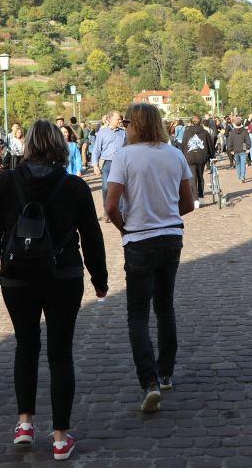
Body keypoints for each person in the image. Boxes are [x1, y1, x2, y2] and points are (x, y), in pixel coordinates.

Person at [0, 120, 108, 462]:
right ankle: (61, 437)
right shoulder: (74, 186)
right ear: (60, 146)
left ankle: (24, 424)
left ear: (28, 147)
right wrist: (100, 278)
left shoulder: (6, 182)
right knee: (60, 353)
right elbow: (92, 238)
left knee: (25, 346)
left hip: (17, 276)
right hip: (63, 274)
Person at [105, 103, 194, 414]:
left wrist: (125, 227)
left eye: (127, 122)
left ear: (136, 125)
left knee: (138, 315)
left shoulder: (125, 156)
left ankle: (150, 381)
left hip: (139, 241)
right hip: (171, 238)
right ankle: (166, 371)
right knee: (165, 306)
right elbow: (188, 203)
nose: (125, 126)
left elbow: (111, 205)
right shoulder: (175, 155)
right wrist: (165, 217)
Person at [91, 110, 127, 211]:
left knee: (120, 187)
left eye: (120, 118)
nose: (120, 120)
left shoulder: (123, 133)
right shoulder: (102, 132)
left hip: (120, 164)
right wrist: (95, 165)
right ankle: (107, 209)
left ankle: (119, 211)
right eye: (117, 119)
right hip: (107, 163)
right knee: (106, 187)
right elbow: (96, 149)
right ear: (110, 119)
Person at [180, 115, 215, 208]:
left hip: (189, 157)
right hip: (201, 157)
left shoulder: (187, 132)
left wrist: (183, 156)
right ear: (201, 122)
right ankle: (201, 198)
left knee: (192, 178)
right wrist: (212, 156)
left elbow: (183, 145)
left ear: (191, 122)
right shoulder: (205, 132)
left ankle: (195, 200)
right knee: (200, 177)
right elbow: (210, 145)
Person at [227, 117, 252, 183]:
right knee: (243, 163)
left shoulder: (232, 132)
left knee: (238, 163)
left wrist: (230, 149)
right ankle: (242, 176)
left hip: (235, 150)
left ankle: (239, 176)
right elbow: (247, 140)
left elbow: (230, 141)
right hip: (243, 149)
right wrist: (248, 148)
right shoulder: (244, 131)